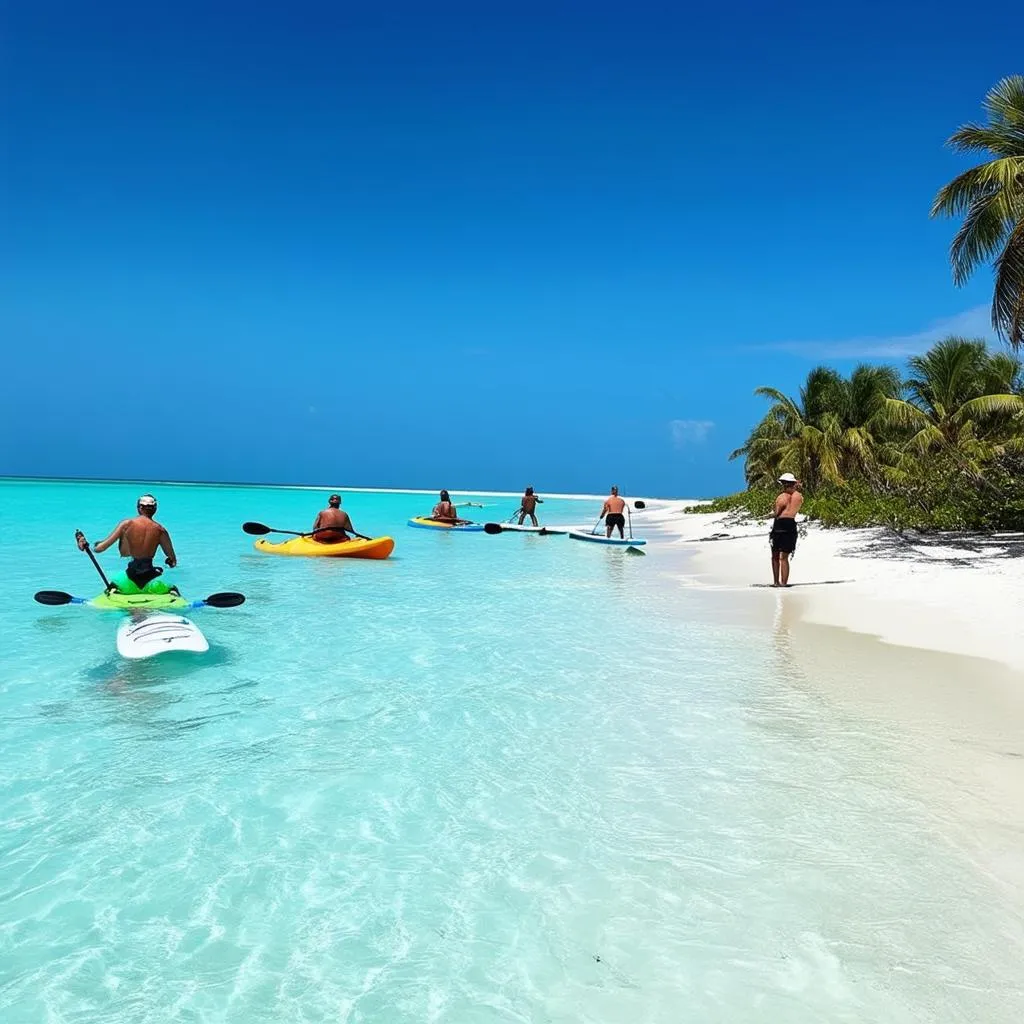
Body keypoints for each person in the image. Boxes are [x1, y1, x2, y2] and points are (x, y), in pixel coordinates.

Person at [76, 493, 177, 589]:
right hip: (151, 578)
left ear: (139, 508)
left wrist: (86, 545)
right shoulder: (161, 530)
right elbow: (173, 561)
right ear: (155, 509)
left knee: (124, 534)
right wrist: (169, 562)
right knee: (170, 586)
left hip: (130, 578)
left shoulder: (127, 524)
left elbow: (100, 549)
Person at [770, 473, 803, 587]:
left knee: (775, 555)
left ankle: (776, 582)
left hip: (780, 525)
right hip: (791, 524)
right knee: (784, 557)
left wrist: (768, 515)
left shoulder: (781, 497)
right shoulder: (799, 497)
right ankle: (783, 583)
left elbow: (777, 513)